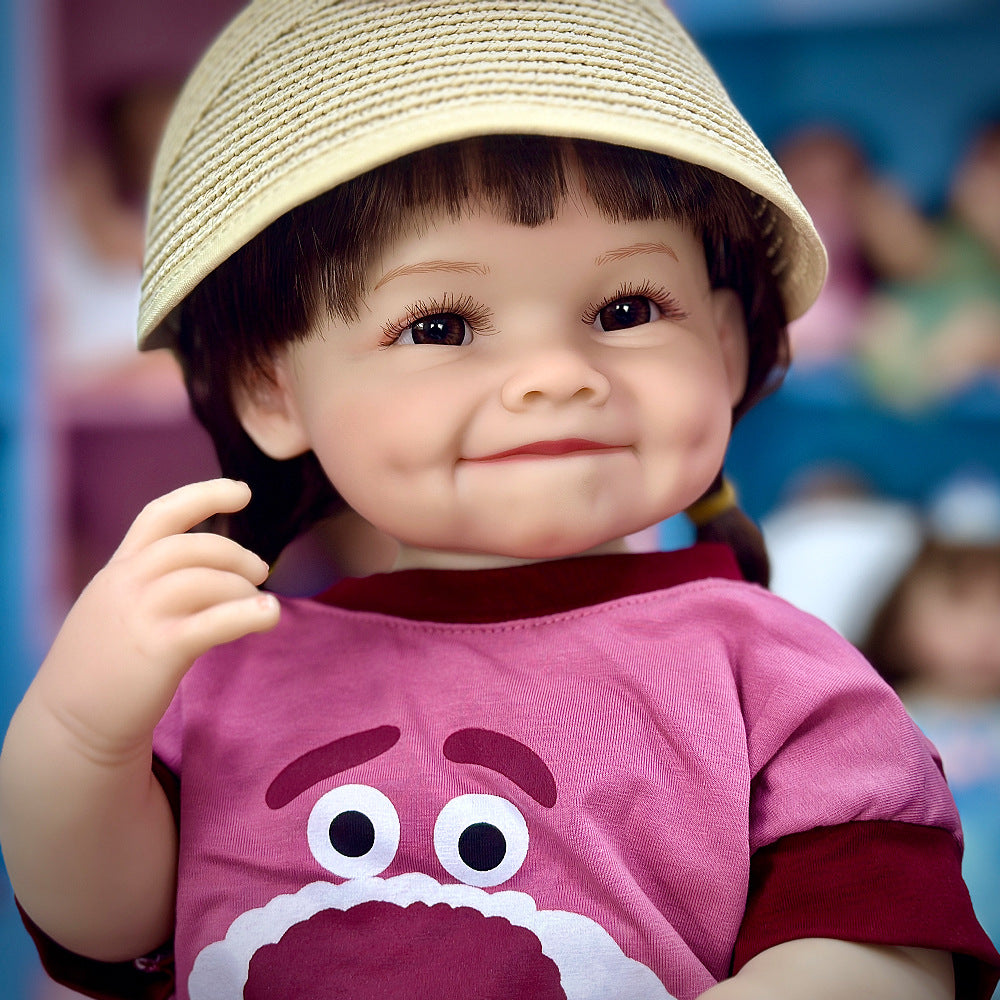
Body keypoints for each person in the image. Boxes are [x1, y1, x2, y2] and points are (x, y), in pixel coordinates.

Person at [1, 2, 998, 998]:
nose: (554, 374)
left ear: (727, 344)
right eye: (439, 324)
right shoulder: (227, 680)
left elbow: (882, 954)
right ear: (274, 387)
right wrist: (84, 735)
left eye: (626, 309)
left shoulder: (775, 678)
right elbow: (108, 925)